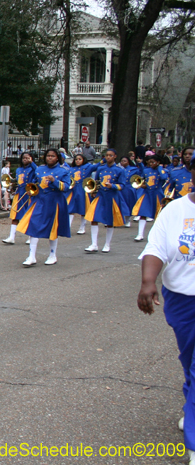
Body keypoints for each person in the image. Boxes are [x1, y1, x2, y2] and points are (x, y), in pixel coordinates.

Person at [136, 156, 195, 461]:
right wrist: (148, 281)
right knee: (189, 360)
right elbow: (156, 247)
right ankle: (191, 401)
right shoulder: (176, 210)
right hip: (182, 299)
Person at [16, 148, 71, 266]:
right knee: (34, 225)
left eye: (52, 156)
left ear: (57, 158)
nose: (50, 158)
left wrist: (54, 181)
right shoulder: (40, 169)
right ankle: (31, 256)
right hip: (40, 200)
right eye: (48, 156)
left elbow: (66, 187)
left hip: (55, 201)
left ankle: (52, 254)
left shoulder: (64, 171)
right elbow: (35, 183)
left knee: (53, 228)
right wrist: (31, 191)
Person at [84, 148, 128, 252]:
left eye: (110, 155)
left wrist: (112, 186)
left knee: (109, 221)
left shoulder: (119, 170)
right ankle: (94, 244)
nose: (108, 157)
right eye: (107, 155)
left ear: (115, 156)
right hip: (100, 196)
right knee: (94, 218)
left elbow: (122, 185)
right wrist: (94, 190)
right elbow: (97, 181)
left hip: (112, 197)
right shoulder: (100, 169)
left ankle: (107, 244)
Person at [2, 153, 37, 245]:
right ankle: (11, 237)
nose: (25, 159)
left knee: (30, 216)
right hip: (19, 193)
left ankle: (30, 236)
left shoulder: (33, 168)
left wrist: (32, 162)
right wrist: (12, 187)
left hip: (29, 193)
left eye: (27, 158)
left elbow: (38, 172)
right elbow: (18, 181)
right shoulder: (18, 169)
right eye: (23, 158)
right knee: (15, 216)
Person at [133, 154, 169, 242]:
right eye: (150, 162)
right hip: (147, 194)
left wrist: (160, 168)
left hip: (157, 194)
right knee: (143, 213)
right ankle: (140, 234)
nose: (151, 164)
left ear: (158, 162)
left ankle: (157, 234)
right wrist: (142, 185)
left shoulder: (162, 171)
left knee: (158, 215)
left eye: (153, 162)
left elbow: (164, 178)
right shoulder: (146, 170)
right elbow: (143, 180)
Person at [66, 154, 98, 235]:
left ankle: (82, 227)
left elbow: (97, 166)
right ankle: (68, 227)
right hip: (73, 190)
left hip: (83, 190)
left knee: (83, 209)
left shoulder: (88, 167)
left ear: (83, 160)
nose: (78, 160)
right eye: (76, 159)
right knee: (70, 209)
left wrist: (104, 160)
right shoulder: (72, 169)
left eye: (80, 159)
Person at [119, 155, 141, 227]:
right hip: (121, 188)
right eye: (122, 161)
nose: (123, 162)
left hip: (129, 188)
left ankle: (128, 219)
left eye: (125, 161)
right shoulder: (118, 169)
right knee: (121, 204)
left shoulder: (133, 169)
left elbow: (141, 173)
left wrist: (140, 164)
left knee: (129, 204)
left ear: (128, 162)